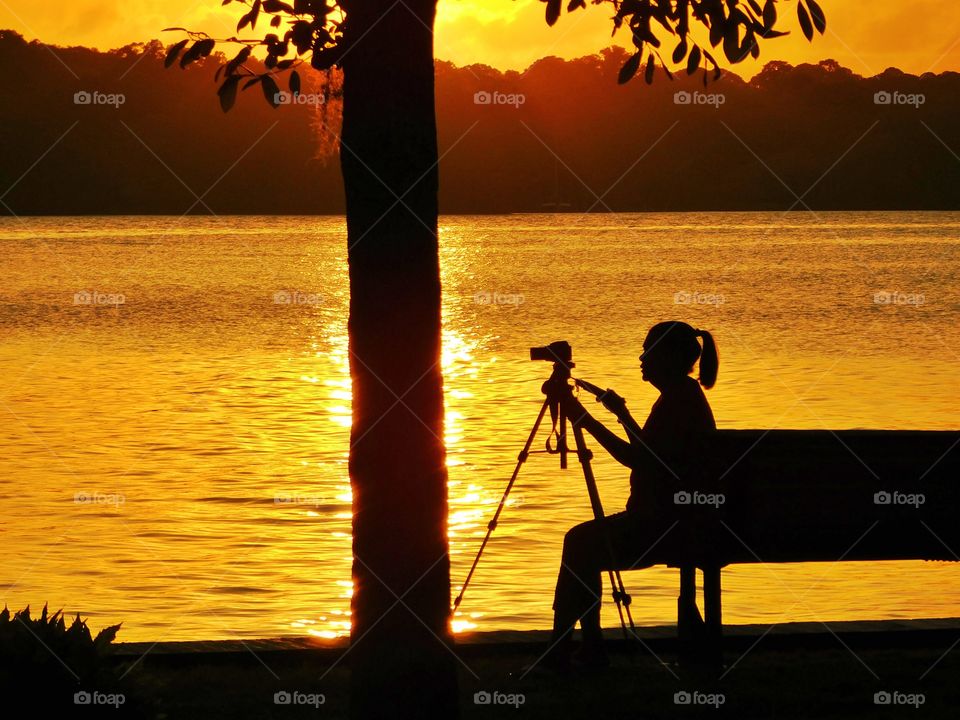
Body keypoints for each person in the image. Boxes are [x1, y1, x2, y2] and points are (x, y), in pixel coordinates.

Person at [543, 321, 719, 670]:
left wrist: (582, 418)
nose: (641, 358)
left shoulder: (677, 402)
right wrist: (622, 414)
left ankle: (568, 648)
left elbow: (636, 460)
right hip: (683, 521)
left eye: (648, 351)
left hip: (662, 528)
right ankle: (582, 648)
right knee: (583, 541)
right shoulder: (682, 396)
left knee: (580, 543)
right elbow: (655, 456)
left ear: (668, 358)